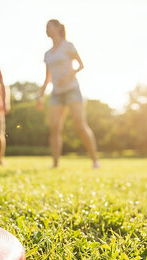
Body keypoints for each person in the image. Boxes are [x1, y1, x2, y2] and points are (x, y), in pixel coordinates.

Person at [36, 19, 99, 169]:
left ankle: (95, 160)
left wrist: (70, 74)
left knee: (80, 126)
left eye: (48, 26)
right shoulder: (48, 54)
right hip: (56, 93)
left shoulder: (68, 46)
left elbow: (81, 65)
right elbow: (47, 77)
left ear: (58, 28)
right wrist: (40, 95)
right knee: (55, 128)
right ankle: (55, 163)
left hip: (72, 90)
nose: (46, 29)